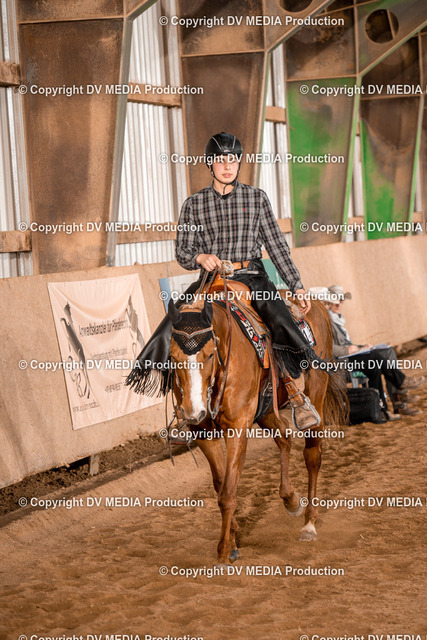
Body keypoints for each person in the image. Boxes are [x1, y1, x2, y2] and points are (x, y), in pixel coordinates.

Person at [127, 132, 323, 430]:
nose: (228, 166)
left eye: (233, 159)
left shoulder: (257, 198)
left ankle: (296, 395)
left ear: (239, 163)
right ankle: (179, 405)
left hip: (252, 277)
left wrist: (296, 285)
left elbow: (277, 246)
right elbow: (183, 250)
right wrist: (200, 257)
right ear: (210, 164)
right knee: (174, 324)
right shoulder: (194, 204)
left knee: (280, 321)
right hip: (211, 280)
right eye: (220, 160)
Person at [322, 285, 424, 416]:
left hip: (350, 357)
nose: (339, 304)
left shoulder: (337, 319)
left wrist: (361, 347)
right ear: (328, 302)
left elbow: (347, 346)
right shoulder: (327, 321)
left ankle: (397, 397)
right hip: (343, 362)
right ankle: (399, 394)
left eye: (341, 300)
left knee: (387, 351)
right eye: (336, 301)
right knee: (378, 358)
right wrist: (350, 349)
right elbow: (329, 347)